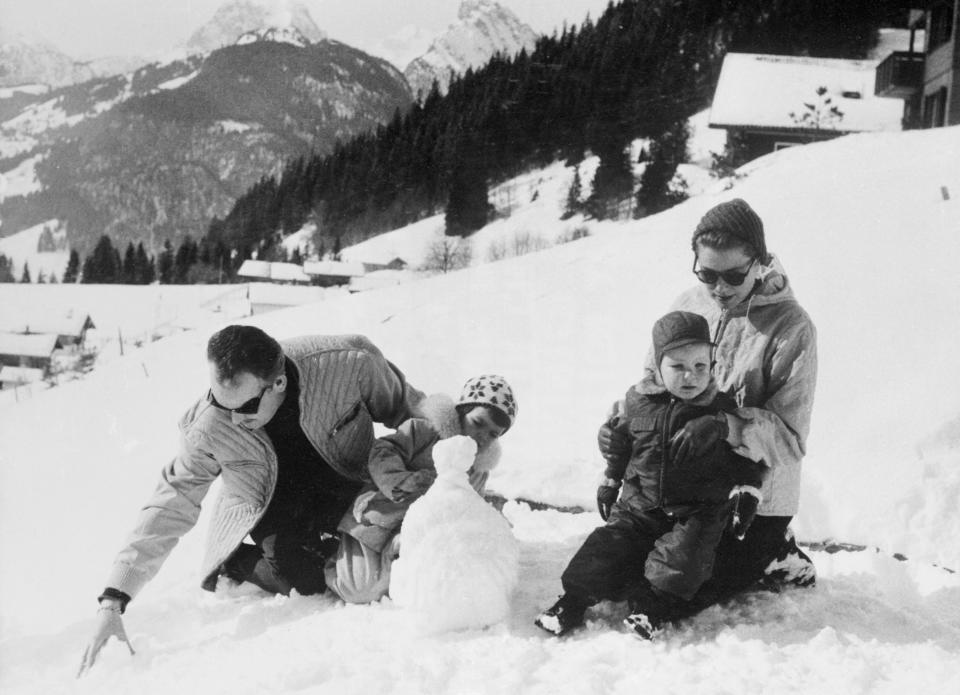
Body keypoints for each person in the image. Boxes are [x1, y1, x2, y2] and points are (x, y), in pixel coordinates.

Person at [78, 326, 424, 676]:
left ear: (278, 384)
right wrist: (114, 598)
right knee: (304, 580)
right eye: (216, 400)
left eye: (244, 407)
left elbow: (413, 412)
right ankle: (236, 564)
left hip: (345, 480)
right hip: (269, 505)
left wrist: (460, 459)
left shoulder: (348, 362)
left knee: (388, 540)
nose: (232, 419)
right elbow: (172, 500)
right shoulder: (207, 425)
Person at [599, 198, 818, 613]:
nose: (719, 288)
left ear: (761, 262)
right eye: (707, 274)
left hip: (750, 498)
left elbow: (790, 438)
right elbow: (651, 385)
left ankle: (774, 553)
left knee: (679, 593)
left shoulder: (793, 328)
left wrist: (726, 427)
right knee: (611, 577)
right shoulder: (688, 303)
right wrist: (619, 434)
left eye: (734, 275)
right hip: (678, 490)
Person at [535, 311, 765, 638]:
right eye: (678, 367)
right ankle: (571, 603)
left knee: (684, 561)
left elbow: (746, 456)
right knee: (604, 549)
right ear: (657, 366)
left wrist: (749, 491)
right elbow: (623, 447)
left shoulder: (721, 410)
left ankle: (652, 608)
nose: (691, 376)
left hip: (694, 512)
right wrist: (610, 477)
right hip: (639, 506)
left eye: (701, 366)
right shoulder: (637, 402)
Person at [325, 374, 517, 604]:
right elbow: (383, 451)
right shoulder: (423, 431)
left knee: (411, 587)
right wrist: (403, 480)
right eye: (478, 423)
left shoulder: (477, 470)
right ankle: (329, 554)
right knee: (358, 590)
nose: (482, 437)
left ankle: (394, 565)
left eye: (493, 434)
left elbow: (468, 507)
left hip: (419, 532)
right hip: (380, 518)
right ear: (461, 411)